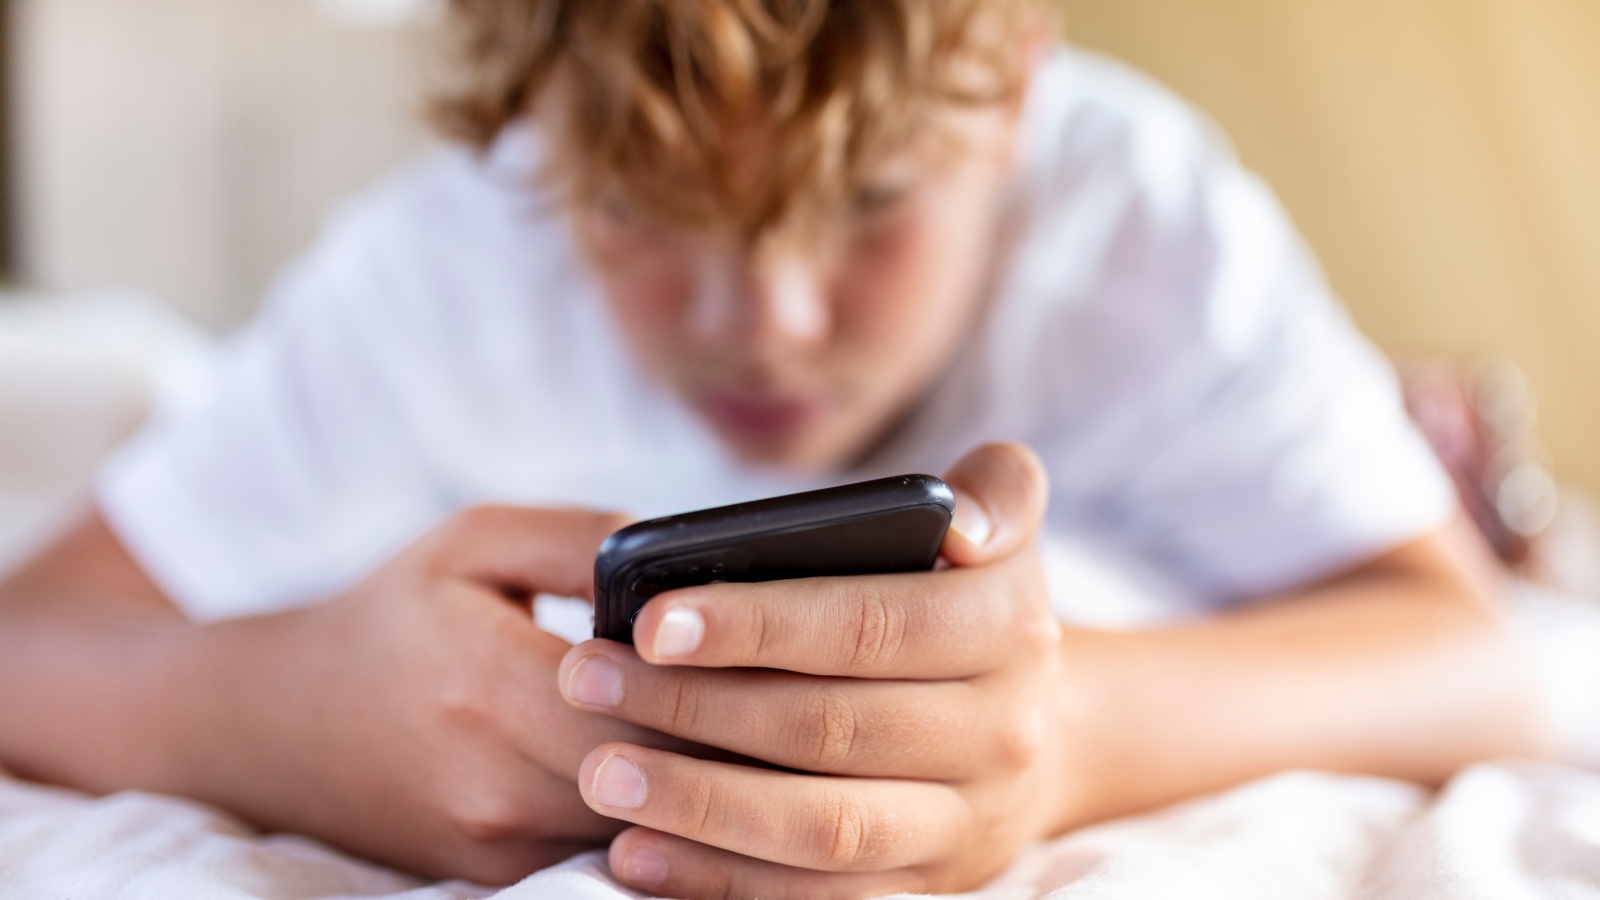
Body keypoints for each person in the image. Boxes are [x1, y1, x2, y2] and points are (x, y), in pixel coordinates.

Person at [0, 1, 1549, 897]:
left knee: (1461, 501)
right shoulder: (450, 260)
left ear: (1012, 80)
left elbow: (1484, 661)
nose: (769, 320)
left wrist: (1070, 736)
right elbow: (31, 640)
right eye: (655, 213)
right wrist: (267, 713)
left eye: (871, 202)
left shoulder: (1135, 221)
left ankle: (1434, 429)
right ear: (545, 123)